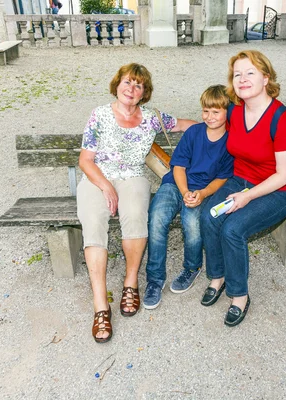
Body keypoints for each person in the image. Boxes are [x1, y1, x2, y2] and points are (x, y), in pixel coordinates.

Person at [77, 63, 195, 343]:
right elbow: (85, 160)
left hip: (132, 177)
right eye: (127, 82)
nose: (131, 89)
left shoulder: (152, 118)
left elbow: (181, 124)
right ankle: (100, 304)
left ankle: (130, 282)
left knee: (134, 215)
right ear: (117, 84)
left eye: (138, 85)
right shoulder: (100, 115)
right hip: (98, 178)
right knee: (93, 222)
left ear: (145, 92)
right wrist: (106, 186)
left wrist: (217, 122)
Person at [200, 50, 286, 327]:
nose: (242, 79)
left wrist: (248, 196)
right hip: (240, 180)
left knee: (233, 229)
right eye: (237, 74)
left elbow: (285, 174)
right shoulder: (234, 111)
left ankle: (239, 295)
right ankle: (217, 277)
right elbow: (207, 125)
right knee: (209, 216)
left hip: (277, 191)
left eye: (250, 73)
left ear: (266, 78)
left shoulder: (283, 119)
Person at [143, 85, 234, 310]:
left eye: (216, 112)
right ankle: (155, 279)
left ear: (228, 112)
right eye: (206, 111)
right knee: (156, 218)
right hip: (176, 185)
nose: (209, 116)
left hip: (202, 191)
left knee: (192, 223)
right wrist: (184, 192)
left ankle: (192, 268)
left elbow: (222, 179)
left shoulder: (230, 143)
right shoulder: (194, 133)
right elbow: (179, 167)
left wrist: (201, 194)